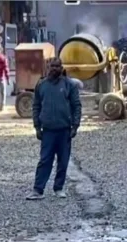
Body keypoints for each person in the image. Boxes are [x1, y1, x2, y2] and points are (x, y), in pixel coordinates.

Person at [26, 58, 81, 200]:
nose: (55, 69)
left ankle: (59, 188)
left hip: (64, 130)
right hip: (48, 131)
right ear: (48, 67)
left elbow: (76, 106)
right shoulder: (41, 85)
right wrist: (37, 127)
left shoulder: (69, 85)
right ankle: (38, 190)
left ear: (61, 68)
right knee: (45, 160)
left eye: (57, 66)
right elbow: (36, 106)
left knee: (63, 161)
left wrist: (75, 126)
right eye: (52, 66)